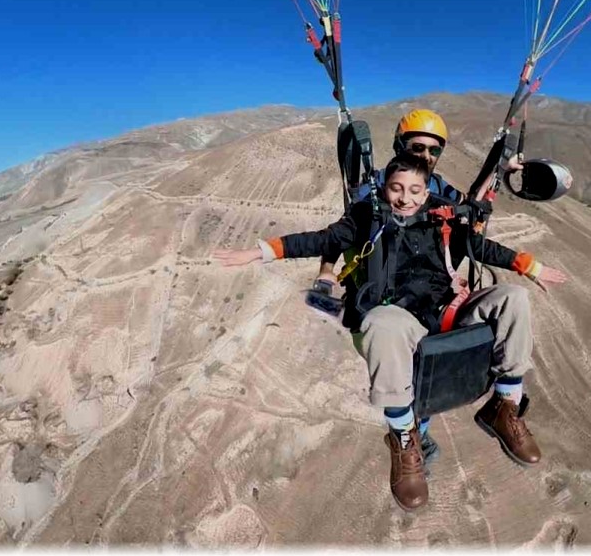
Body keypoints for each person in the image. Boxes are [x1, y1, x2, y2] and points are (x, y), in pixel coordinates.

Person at [214, 153, 566, 511]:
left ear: (425, 192)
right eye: (397, 189)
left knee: (513, 298)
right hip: (401, 319)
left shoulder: (442, 218)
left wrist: (529, 266)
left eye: (414, 190)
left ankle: (505, 406)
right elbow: (321, 240)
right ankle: (403, 437)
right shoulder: (368, 218)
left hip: (445, 310)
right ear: (385, 189)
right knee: (382, 324)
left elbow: (480, 246)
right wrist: (261, 252)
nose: (405, 198)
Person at [310, 109, 521, 467]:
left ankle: (427, 433)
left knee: (438, 363)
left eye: (434, 150)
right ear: (399, 146)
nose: (426, 155)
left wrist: (499, 173)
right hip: (383, 302)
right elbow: (341, 233)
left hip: (427, 298)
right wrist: (327, 272)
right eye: (417, 147)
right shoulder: (376, 188)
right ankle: (412, 440)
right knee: (410, 373)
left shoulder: (439, 189)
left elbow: (467, 212)